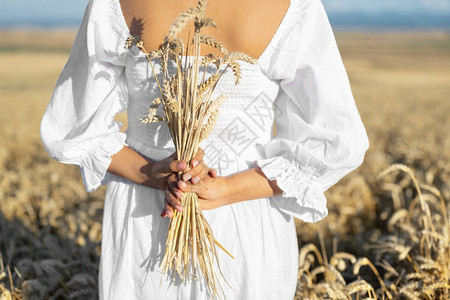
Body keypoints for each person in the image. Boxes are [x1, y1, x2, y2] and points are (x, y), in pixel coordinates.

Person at [40, 0, 369, 298]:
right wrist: (224, 190)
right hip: (249, 220)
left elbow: (73, 128)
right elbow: (337, 142)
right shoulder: (292, 6)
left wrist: (155, 173)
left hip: (146, 218)